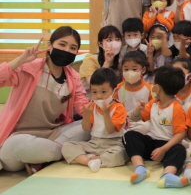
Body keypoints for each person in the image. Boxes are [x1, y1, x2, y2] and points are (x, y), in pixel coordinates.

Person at [0, 27, 89, 173]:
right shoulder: (28, 68)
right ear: (50, 45)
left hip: (52, 135)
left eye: (73, 48)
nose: (67, 50)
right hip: (18, 137)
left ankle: (43, 158)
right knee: (17, 144)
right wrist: (21, 59)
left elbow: (83, 107)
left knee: (90, 125)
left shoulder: (73, 78)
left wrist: (103, 112)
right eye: (62, 44)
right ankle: (66, 152)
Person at [124, 66, 191, 188]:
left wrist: (164, 149)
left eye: (153, 83)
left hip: (167, 145)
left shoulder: (176, 108)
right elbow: (135, 118)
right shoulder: (153, 103)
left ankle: (167, 175)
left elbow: (181, 133)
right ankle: (140, 168)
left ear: (158, 88)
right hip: (151, 142)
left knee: (180, 150)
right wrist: (137, 111)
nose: (151, 84)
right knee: (129, 135)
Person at [61, 68, 127, 172]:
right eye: (94, 92)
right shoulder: (93, 105)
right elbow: (85, 128)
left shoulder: (119, 108)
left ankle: (96, 158)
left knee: (120, 154)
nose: (99, 96)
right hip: (94, 143)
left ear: (115, 90)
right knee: (67, 146)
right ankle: (90, 161)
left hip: (114, 144)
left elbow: (110, 130)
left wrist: (106, 113)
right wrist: (86, 115)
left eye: (103, 92)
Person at [79, 25, 122, 99]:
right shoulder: (90, 59)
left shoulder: (121, 62)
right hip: (89, 100)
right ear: (100, 44)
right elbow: (95, 84)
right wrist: (107, 63)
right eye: (109, 40)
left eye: (117, 39)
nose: (114, 43)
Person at [113, 51, 151, 117]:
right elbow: (114, 107)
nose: (130, 72)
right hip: (123, 120)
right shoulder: (118, 88)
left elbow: (151, 109)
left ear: (143, 70)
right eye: (126, 69)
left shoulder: (148, 89)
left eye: (134, 69)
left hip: (142, 121)